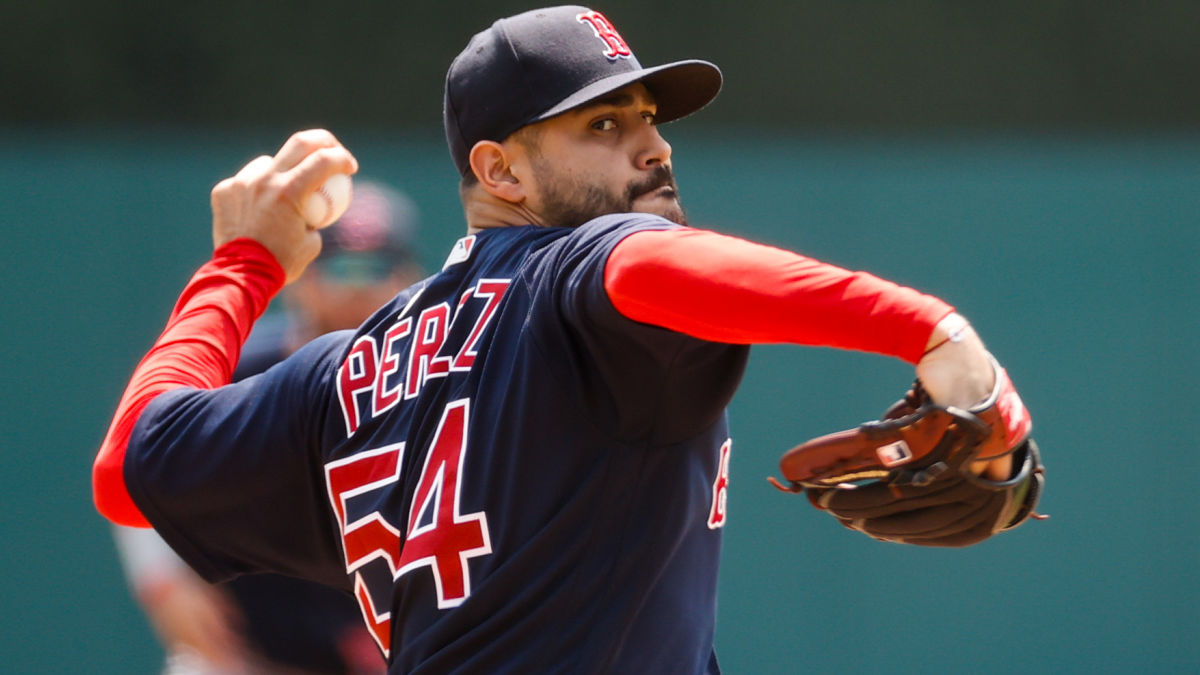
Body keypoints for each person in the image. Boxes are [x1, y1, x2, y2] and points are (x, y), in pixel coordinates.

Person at [93, 6, 1044, 673]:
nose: (652, 145)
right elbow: (649, 266)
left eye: (648, 119)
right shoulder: (580, 273)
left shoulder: (344, 371)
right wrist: (929, 328)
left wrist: (245, 263)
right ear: (500, 168)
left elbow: (129, 462)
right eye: (603, 122)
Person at [111, 181, 423, 675]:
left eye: (376, 267)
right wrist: (162, 582)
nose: (357, 286)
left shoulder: (433, 380)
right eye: (340, 267)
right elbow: (138, 461)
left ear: (407, 277)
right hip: (249, 654)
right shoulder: (239, 370)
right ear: (305, 278)